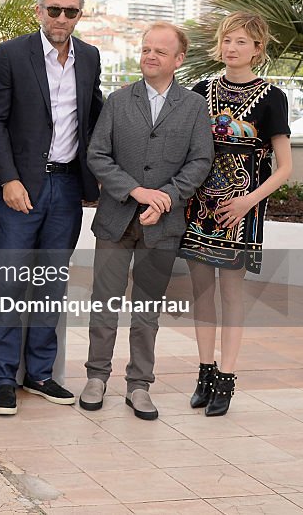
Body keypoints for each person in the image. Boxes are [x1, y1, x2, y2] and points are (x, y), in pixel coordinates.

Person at [82, 22, 213, 420]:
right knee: (103, 303)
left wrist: (167, 198)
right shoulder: (119, 102)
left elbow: (200, 160)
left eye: (159, 51)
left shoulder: (193, 106)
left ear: (178, 59)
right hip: (116, 220)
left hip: (164, 225)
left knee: (147, 308)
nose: (149, 56)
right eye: (145, 50)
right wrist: (138, 192)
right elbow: (97, 155)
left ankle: (139, 385)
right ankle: (96, 377)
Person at [0, 0, 104, 415]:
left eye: (69, 11)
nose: (60, 18)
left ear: (79, 15)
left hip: (68, 186)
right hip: (21, 187)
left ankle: (39, 374)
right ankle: (1, 378)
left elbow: (96, 112)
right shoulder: (12, 53)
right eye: (53, 10)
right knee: (10, 284)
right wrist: (8, 179)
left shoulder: (89, 56)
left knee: (51, 285)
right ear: (39, 11)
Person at [179, 11, 292, 416]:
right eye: (227, 40)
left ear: (257, 49)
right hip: (199, 206)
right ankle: (204, 372)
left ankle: (227, 378)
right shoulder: (199, 90)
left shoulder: (272, 98)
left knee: (231, 294)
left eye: (241, 41)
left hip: (240, 210)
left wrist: (248, 201)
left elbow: (285, 168)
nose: (232, 48)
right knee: (201, 292)